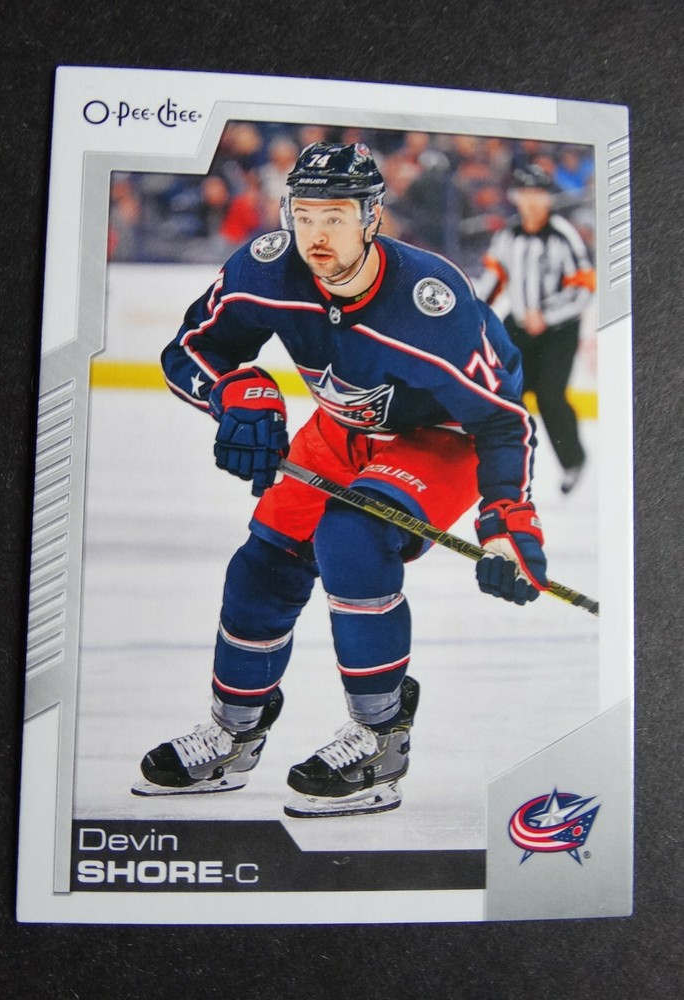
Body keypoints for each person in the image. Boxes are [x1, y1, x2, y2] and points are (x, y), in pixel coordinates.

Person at [132, 142, 548, 817]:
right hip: (338, 429)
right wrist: (235, 393)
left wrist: (507, 523)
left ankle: (381, 739)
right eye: (304, 216)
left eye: (335, 217)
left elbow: (501, 422)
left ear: (371, 217)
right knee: (261, 568)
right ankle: (234, 736)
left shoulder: (431, 306)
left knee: (352, 536)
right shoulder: (265, 269)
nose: (316, 236)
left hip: (441, 437)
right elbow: (191, 348)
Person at [475, 163, 596, 494]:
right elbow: (493, 277)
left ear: (548, 198)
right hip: (518, 325)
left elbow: (585, 286)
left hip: (559, 330)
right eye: (524, 193)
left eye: (537, 194)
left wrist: (547, 315)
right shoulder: (508, 235)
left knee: (550, 394)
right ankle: (504, 467)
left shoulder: (563, 235)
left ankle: (573, 461)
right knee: (504, 394)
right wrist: (474, 314)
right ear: (515, 197)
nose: (530, 201)